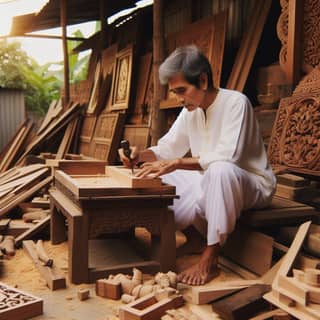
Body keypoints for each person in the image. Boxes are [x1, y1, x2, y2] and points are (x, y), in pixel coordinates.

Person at [119, 45, 276, 286]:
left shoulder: (237, 103)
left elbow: (228, 157)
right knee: (156, 173)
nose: (179, 99)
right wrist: (140, 156)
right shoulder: (190, 110)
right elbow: (167, 149)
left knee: (219, 170)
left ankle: (210, 257)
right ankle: (194, 238)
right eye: (174, 92)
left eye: (182, 90)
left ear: (203, 80)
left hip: (250, 184)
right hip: (212, 177)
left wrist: (179, 162)